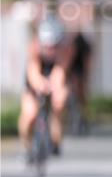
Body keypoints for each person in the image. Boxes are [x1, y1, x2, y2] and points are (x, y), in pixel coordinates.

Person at [19, 16, 73, 158]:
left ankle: (56, 141)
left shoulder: (66, 48)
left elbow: (60, 71)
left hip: (55, 77)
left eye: (54, 46)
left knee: (59, 103)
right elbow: (33, 72)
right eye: (47, 46)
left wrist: (54, 86)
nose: (50, 49)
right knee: (30, 114)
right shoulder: (34, 47)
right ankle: (27, 146)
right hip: (35, 79)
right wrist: (39, 84)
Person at [68, 30, 92, 132]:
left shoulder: (83, 42)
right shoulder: (66, 41)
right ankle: (73, 119)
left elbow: (87, 60)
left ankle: (83, 117)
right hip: (69, 71)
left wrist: (86, 75)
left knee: (81, 96)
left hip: (79, 71)